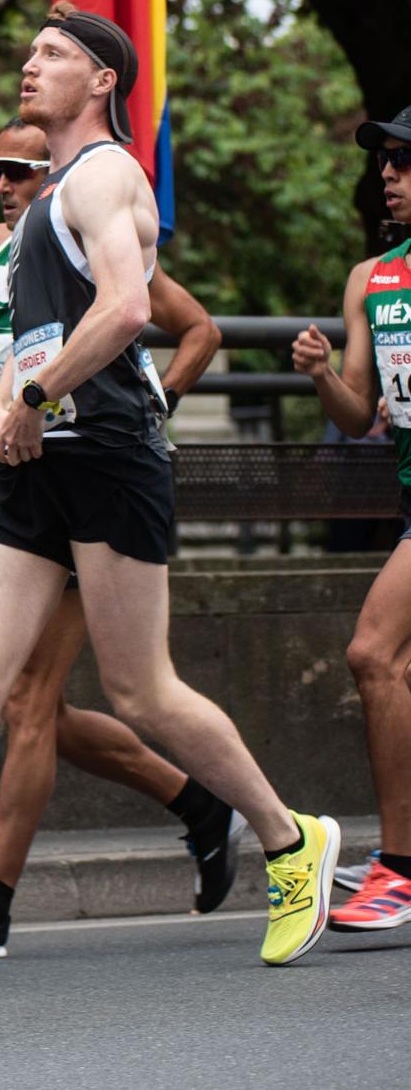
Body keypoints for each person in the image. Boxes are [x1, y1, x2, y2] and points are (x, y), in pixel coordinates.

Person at [0, 3, 339, 971]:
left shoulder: (106, 174)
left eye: (51, 55)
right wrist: (10, 396)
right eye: (28, 51)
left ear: (99, 81)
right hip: (36, 461)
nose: (28, 65)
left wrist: (36, 393)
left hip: (105, 450)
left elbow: (131, 308)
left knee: (140, 688)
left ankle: (289, 837)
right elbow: (21, 336)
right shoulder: (31, 215)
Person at [0, 118, 240, 958]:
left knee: (26, 698)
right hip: (23, 478)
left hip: (92, 468)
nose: (9, 183)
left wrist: (152, 402)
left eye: (25, 169)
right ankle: (198, 802)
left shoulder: (83, 230)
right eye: (0, 170)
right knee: (35, 698)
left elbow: (194, 327)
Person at [290, 102, 411, 933]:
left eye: (405, 161)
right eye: (385, 162)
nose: (388, 176)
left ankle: (399, 867)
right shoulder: (372, 278)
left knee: (374, 651)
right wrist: (323, 373)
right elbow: (360, 405)